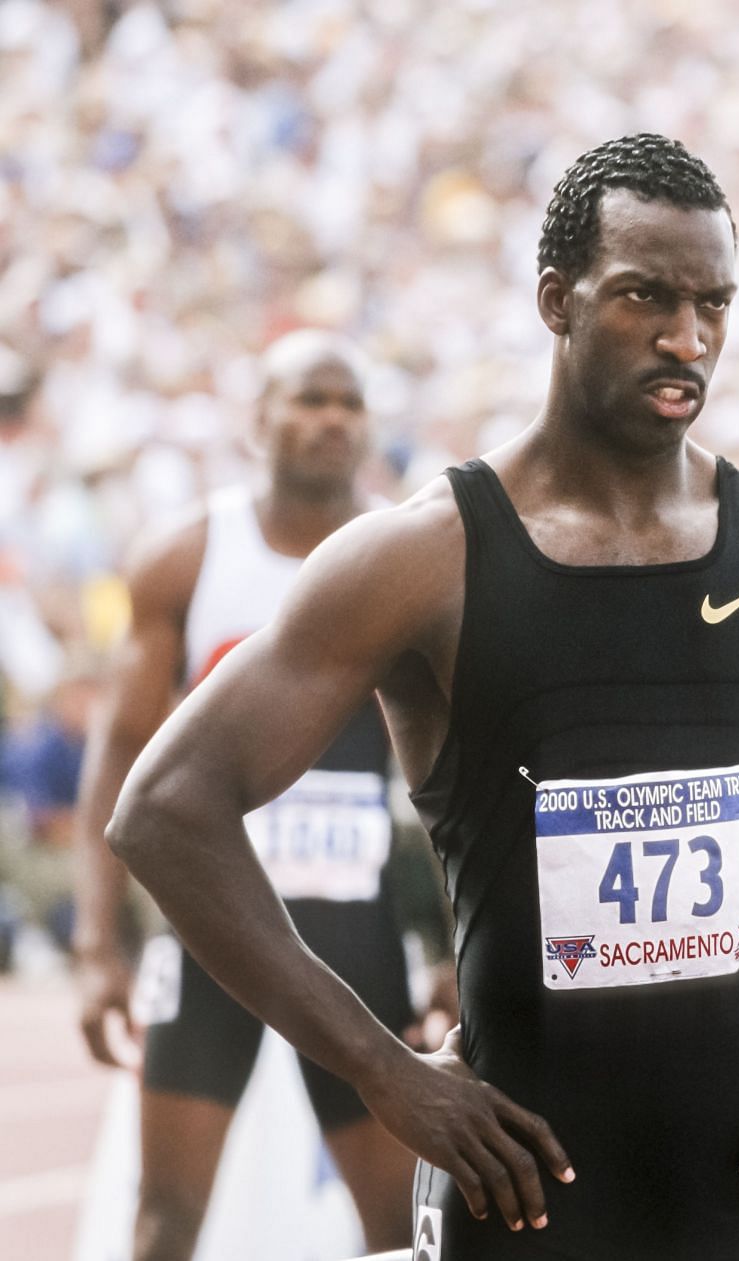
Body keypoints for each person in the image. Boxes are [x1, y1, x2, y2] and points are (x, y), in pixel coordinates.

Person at [105, 133, 739, 1260]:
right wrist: (380, 1068)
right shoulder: (422, 559)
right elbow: (166, 806)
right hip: (528, 1200)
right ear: (556, 299)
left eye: (713, 304)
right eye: (644, 297)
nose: (686, 339)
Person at [69, 331, 436, 1260]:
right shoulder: (187, 558)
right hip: (208, 926)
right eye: (310, 398)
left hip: (355, 926)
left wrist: (451, 944)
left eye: (350, 404)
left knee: (401, 1229)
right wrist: (93, 942)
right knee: (166, 1219)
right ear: (257, 419)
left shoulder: (405, 557)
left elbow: (446, 776)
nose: (332, 421)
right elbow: (117, 758)